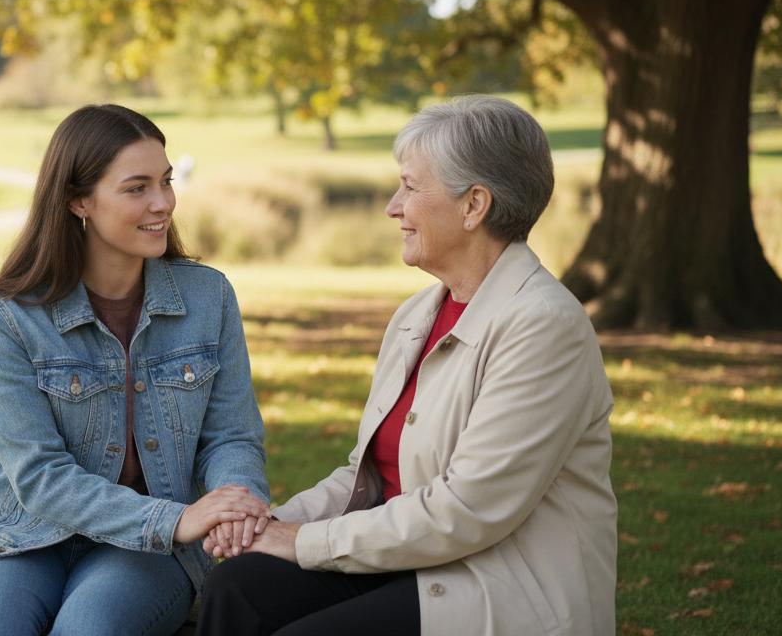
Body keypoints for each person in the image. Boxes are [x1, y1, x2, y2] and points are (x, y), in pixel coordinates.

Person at [198, 96, 617, 636]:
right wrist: (271, 524)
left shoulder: (542, 326)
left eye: (411, 188)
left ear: (474, 205)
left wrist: (301, 542)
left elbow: (467, 510)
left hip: (497, 582)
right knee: (239, 588)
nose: (393, 207)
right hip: (412, 557)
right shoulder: (418, 314)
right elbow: (367, 476)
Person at [0, 104, 271, 636]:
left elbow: (231, 436)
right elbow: (38, 477)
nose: (163, 202)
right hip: (24, 535)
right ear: (79, 200)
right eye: (136, 187)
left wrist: (232, 506)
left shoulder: (208, 297)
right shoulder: (10, 316)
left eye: (165, 181)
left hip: (154, 550)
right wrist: (177, 517)